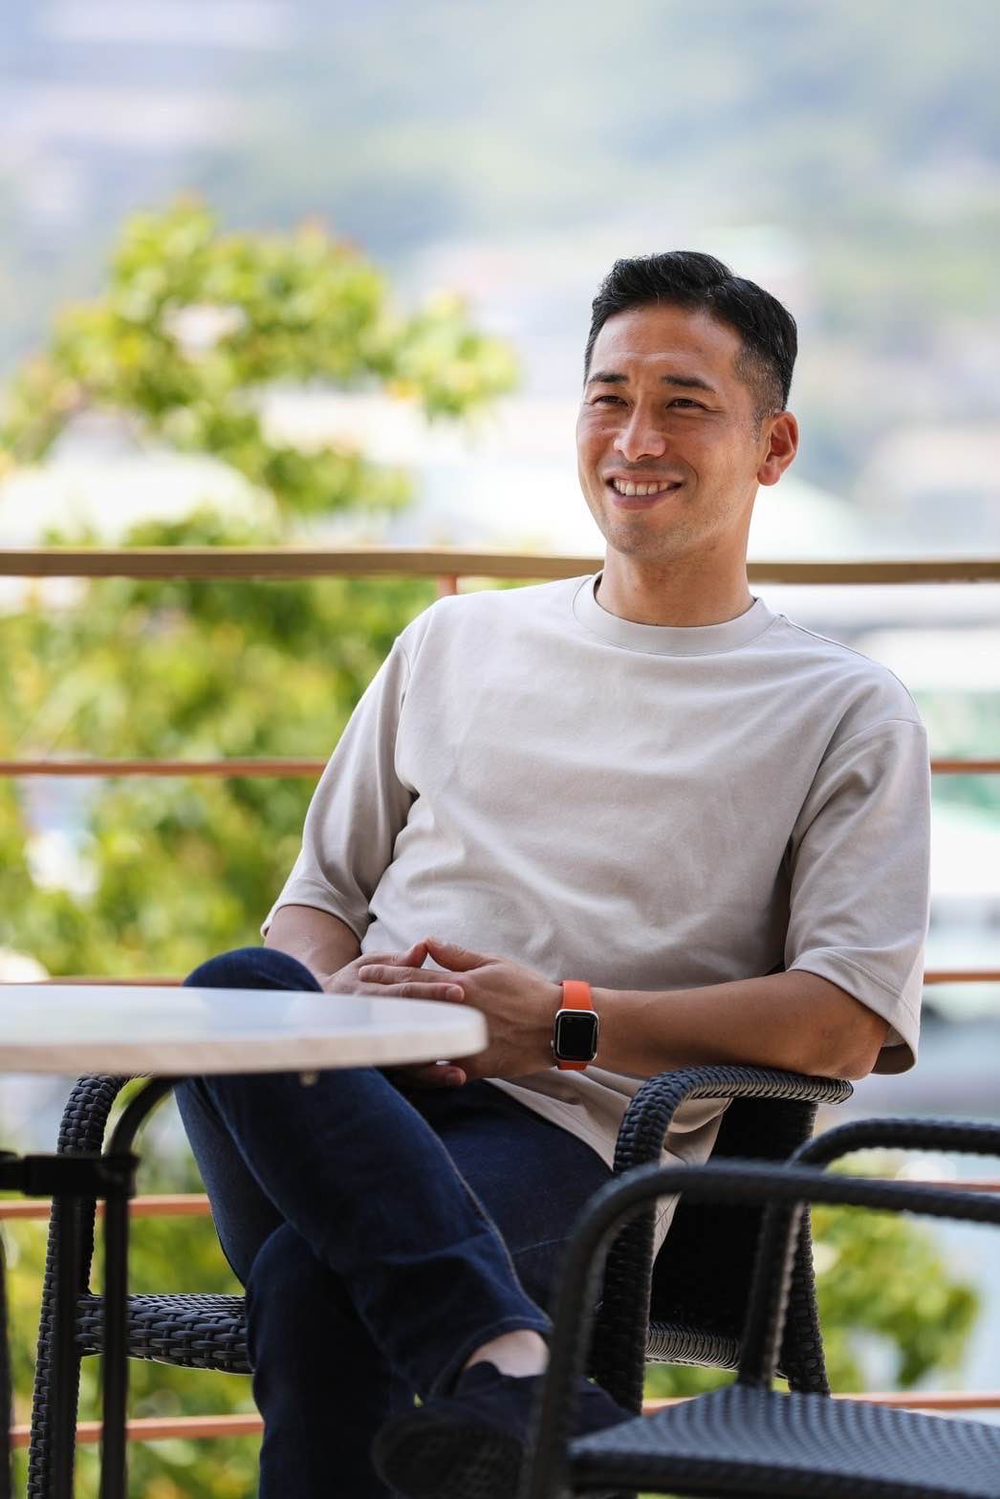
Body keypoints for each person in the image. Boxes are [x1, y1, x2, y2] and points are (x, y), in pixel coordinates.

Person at [174, 250, 930, 1499]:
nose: (636, 438)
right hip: (335, 1099)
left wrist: (564, 1022)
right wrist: (341, 999)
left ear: (774, 445)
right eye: (608, 397)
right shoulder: (451, 639)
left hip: (571, 1141)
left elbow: (843, 1018)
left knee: (318, 1281)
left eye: (683, 403)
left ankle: (500, 1355)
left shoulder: (842, 708)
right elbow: (315, 902)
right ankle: (515, 1364)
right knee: (237, 982)